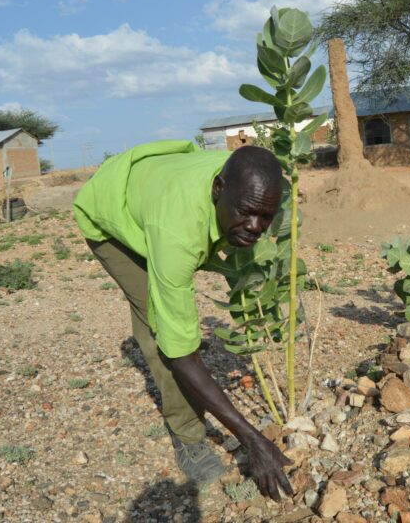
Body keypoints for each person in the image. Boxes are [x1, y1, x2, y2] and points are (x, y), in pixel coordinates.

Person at [73, 141, 293, 500]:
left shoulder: (247, 184)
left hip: (154, 184)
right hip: (109, 209)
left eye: (265, 216)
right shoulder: (177, 235)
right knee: (159, 332)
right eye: (247, 212)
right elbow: (181, 355)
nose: (256, 227)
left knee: (173, 307)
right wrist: (253, 440)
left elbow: (252, 211)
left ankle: (180, 333)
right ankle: (189, 437)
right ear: (218, 189)